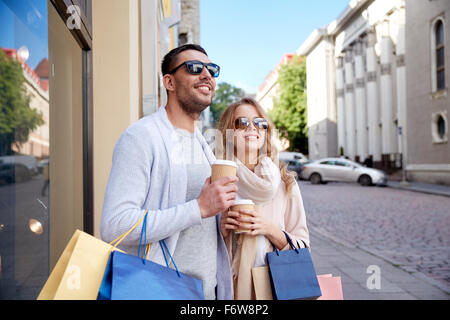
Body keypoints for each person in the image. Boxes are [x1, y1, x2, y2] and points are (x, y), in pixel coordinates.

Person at [100, 44, 238, 300]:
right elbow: (114, 226)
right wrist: (198, 208)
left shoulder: (202, 144)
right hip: (160, 291)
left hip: (206, 292)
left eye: (212, 69)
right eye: (195, 68)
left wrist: (222, 224)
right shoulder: (141, 137)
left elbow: (197, 225)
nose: (207, 74)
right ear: (169, 82)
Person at [216, 97, 310, 300]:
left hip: (272, 285)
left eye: (260, 123)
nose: (253, 128)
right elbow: (199, 245)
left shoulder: (285, 182)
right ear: (228, 133)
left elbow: (303, 246)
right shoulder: (218, 178)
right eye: (242, 123)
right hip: (226, 287)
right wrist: (221, 231)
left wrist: (269, 229)